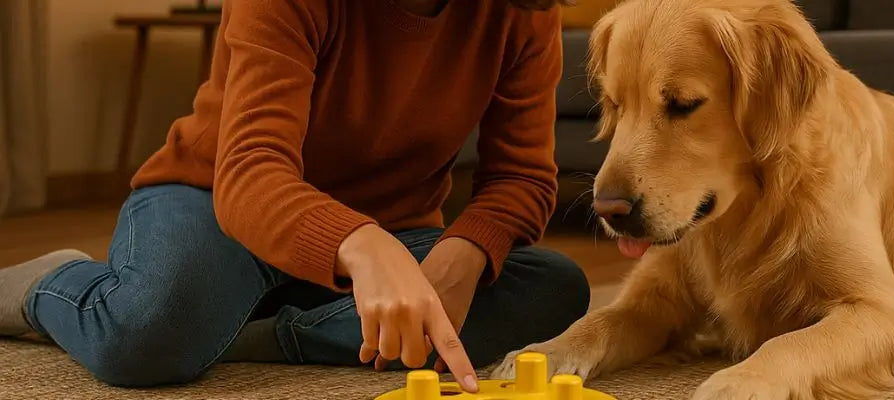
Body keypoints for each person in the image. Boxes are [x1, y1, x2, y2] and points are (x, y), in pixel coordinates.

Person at [0, 0, 589, 392]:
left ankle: (245, 332)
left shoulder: (522, 13)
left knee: (555, 287)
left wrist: (468, 254)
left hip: (389, 231)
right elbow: (253, 169)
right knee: (145, 334)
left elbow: (522, 178)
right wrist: (362, 244)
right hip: (218, 200)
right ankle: (47, 286)